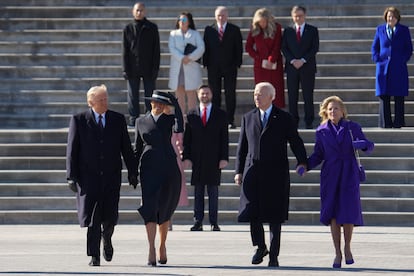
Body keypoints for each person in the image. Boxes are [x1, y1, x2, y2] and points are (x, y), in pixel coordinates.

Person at [234, 82, 307, 267]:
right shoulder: (248, 117)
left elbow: (295, 142)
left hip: (275, 173)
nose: (257, 97)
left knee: (275, 216)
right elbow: (242, 147)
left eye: (261, 94)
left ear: (271, 97)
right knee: (252, 212)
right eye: (255, 93)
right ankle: (260, 246)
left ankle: (274, 255)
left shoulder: (284, 118)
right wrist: (238, 171)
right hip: (253, 173)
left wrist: (302, 161)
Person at [66, 84, 138, 266]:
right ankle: (94, 255)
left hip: (111, 176)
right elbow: (72, 151)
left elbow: (126, 149)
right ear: (91, 102)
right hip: (88, 178)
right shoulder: (79, 120)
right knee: (92, 218)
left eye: (106, 99)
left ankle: (107, 238)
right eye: (101, 100)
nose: (105, 102)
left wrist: (132, 172)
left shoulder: (117, 119)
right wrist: (71, 176)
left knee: (110, 216)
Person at [304, 96, 374, 268]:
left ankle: (348, 247)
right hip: (330, 175)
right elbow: (318, 154)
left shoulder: (352, 127)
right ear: (325, 112)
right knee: (333, 214)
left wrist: (363, 144)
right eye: (330, 109)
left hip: (349, 173)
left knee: (348, 213)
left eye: (336, 108)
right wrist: (305, 166)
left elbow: (369, 146)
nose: (333, 112)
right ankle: (337, 253)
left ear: (342, 111)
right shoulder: (321, 131)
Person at [134, 90, 184, 266]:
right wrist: (133, 173)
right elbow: (137, 148)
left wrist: (175, 103)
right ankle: (151, 249)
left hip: (169, 168)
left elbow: (180, 126)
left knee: (165, 207)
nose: (158, 105)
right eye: (155, 102)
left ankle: (162, 245)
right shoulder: (140, 121)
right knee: (149, 207)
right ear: (151, 103)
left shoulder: (170, 119)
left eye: (162, 103)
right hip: (148, 168)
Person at [183, 85, 229, 232]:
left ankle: (214, 222)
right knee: (198, 192)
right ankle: (198, 221)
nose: (204, 96)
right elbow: (187, 140)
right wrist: (187, 157)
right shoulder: (191, 114)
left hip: (214, 159)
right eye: (202, 93)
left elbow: (224, 138)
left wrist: (224, 158)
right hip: (197, 159)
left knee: (213, 192)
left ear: (211, 94)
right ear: (198, 95)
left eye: (207, 93)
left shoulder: (220, 114)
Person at [371, 6, 413, 128]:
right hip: (383, 67)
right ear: (386, 17)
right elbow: (375, 47)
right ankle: (385, 123)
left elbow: (408, 48)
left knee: (399, 95)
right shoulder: (380, 29)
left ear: (397, 18)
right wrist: (377, 59)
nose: (391, 19)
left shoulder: (404, 30)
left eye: (393, 17)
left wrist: (402, 60)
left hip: (398, 67)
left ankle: (399, 122)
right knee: (384, 95)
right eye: (389, 16)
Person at [203, 6, 243, 129]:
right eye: (219, 15)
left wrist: (237, 63)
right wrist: (205, 63)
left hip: (230, 67)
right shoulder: (209, 29)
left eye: (223, 15)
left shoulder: (234, 29)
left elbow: (239, 48)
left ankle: (230, 120)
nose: (221, 17)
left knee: (230, 94)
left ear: (227, 16)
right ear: (215, 16)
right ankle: (216, 120)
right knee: (215, 94)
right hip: (213, 67)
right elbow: (206, 47)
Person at [122, 2, 160, 126]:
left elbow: (156, 50)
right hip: (132, 67)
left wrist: (155, 69)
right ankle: (134, 119)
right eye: (137, 10)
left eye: (141, 10)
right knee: (132, 95)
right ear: (133, 12)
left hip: (148, 67)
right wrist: (125, 69)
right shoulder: (128, 28)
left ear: (145, 12)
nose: (139, 12)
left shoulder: (152, 28)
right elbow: (125, 51)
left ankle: (149, 117)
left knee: (149, 94)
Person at [282, 5, 319, 129]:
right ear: (292, 17)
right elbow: (284, 48)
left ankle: (309, 121)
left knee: (308, 95)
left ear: (305, 16)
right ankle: (293, 121)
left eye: (300, 16)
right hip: (292, 68)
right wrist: (292, 60)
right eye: (295, 16)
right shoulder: (288, 31)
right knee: (292, 96)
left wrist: (303, 60)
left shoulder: (312, 30)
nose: (298, 18)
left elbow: (315, 48)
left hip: (307, 67)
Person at [246, 8, 285, 108]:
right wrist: (258, 57)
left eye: (264, 21)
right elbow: (248, 47)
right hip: (260, 65)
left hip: (275, 64)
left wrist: (271, 60)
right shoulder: (254, 29)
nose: (262, 24)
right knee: (261, 90)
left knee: (276, 89)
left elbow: (277, 45)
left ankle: (277, 112)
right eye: (260, 22)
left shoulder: (277, 27)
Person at [168, 12, 205, 117]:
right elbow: (172, 48)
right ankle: (180, 121)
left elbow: (201, 48)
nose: (182, 22)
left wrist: (190, 57)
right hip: (178, 68)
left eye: (184, 20)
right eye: (180, 20)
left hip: (191, 67)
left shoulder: (195, 34)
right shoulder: (173, 34)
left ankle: (193, 122)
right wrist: (182, 57)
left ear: (189, 22)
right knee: (179, 98)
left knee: (192, 97)